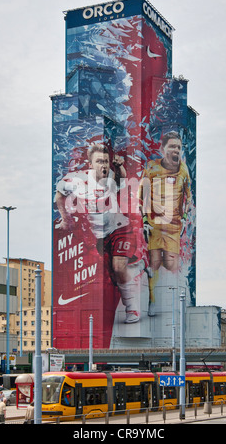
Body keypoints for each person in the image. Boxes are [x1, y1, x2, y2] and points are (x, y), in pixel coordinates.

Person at [56, 144, 144, 323]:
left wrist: (119, 166)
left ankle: (132, 308)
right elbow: (59, 194)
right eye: (99, 162)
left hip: (119, 228)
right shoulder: (76, 181)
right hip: (97, 236)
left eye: (106, 161)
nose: (103, 165)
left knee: (118, 267)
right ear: (90, 164)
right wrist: (65, 219)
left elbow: (122, 179)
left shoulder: (111, 177)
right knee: (107, 275)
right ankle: (136, 268)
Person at [139, 131, 192, 316]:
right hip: (154, 224)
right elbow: (143, 196)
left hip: (174, 226)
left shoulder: (184, 169)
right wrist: (145, 220)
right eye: (172, 146)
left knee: (172, 265)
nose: (176, 149)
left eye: (178, 146)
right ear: (163, 149)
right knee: (154, 262)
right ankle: (152, 300)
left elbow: (188, 196)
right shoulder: (151, 168)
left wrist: (185, 217)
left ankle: (175, 303)